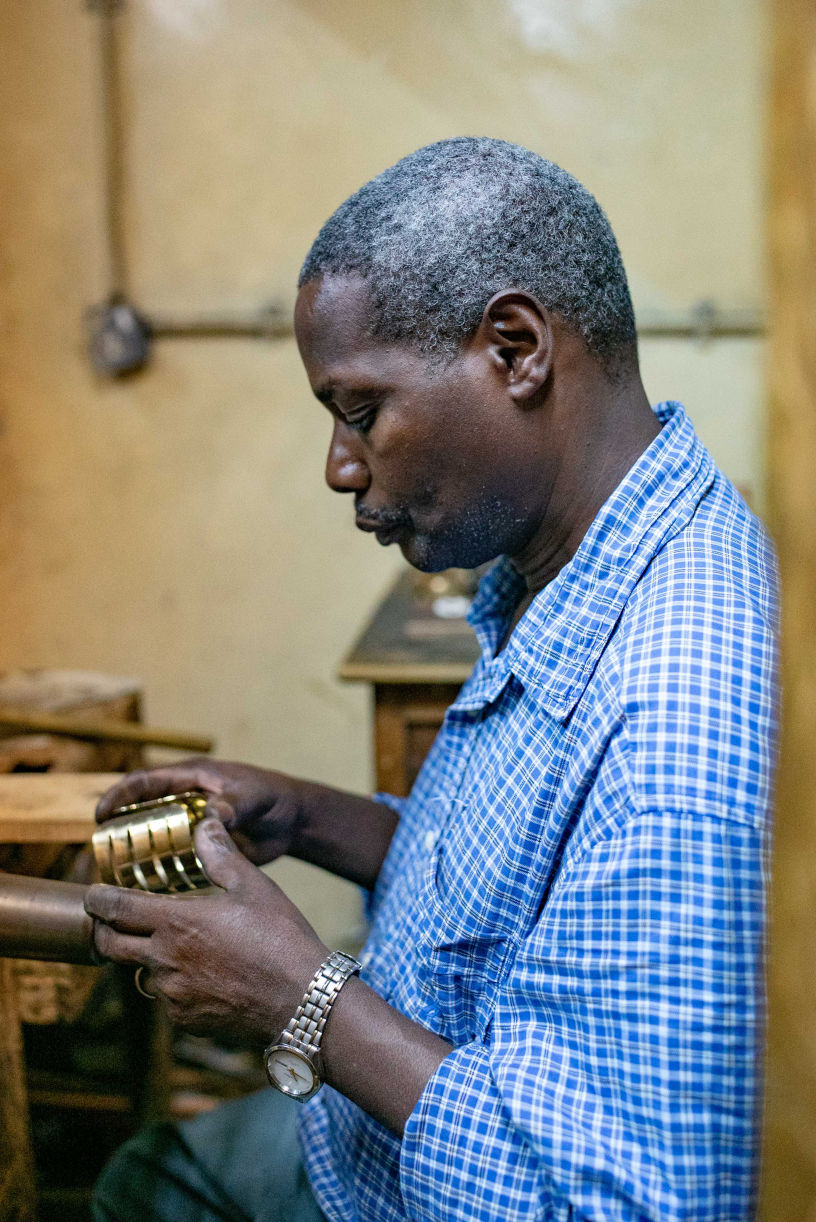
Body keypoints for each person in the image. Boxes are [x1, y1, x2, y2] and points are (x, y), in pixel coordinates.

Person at [88, 138, 778, 1222]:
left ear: (515, 351)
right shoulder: (581, 564)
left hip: (418, 1188)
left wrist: (297, 998)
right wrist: (317, 817)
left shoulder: (678, 709)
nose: (339, 466)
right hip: (370, 1143)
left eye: (361, 410)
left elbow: (626, 1206)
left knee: (145, 1186)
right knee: (150, 1175)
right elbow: (536, 893)